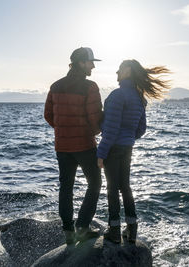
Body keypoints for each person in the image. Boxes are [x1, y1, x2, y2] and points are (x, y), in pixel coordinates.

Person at [97, 59, 171, 243]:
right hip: (127, 147)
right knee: (126, 187)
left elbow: (111, 129)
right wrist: (128, 138)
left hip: (113, 148)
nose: (116, 73)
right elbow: (141, 129)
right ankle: (132, 229)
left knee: (112, 189)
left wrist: (101, 153)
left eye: (119, 69)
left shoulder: (117, 96)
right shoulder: (139, 98)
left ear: (128, 71)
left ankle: (114, 230)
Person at [44, 47, 103, 244]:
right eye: (90, 62)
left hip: (62, 146)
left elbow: (48, 116)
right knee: (95, 183)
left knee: (66, 187)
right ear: (80, 63)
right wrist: (92, 131)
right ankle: (83, 227)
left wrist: (64, 130)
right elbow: (95, 120)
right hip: (85, 144)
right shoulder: (90, 87)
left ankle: (68, 231)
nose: (93, 65)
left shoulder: (55, 86)